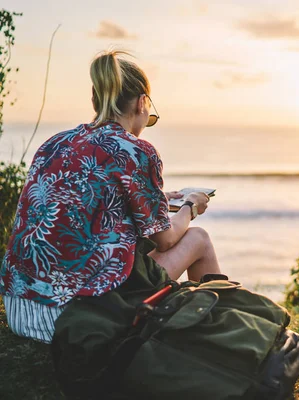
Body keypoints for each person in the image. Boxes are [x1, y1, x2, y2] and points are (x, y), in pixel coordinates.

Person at [0, 50, 221, 343]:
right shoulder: (136, 151)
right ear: (142, 102)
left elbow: (84, 197)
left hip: (21, 309)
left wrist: (159, 198)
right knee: (199, 239)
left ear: (96, 98)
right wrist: (191, 205)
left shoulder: (55, 144)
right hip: (75, 319)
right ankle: (223, 333)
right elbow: (166, 240)